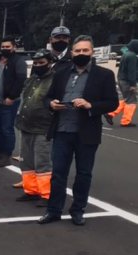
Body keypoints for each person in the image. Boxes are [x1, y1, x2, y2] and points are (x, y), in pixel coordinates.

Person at [40, 35, 119, 226]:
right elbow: (47, 97)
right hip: (62, 130)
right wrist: (52, 104)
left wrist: (90, 105)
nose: (81, 53)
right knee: (58, 173)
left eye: (85, 50)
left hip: (86, 133)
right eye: (77, 50)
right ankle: (53, 210)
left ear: (92, 52)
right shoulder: (61, 73)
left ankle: (78, 210)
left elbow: (112, 103)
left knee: (83, 173)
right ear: (72, 52)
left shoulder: (104, 75)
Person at [15, 49, 57, 206]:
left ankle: (46, 194)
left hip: (43, 128)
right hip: (25, 125)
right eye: (36, 63)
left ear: (50, 63)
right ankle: (31, 190)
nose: (38, 65)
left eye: (42, 63)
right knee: (26, 161)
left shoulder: (54, 80)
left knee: (42, 162)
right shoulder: (32, 79)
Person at [0, 37, 28, 168]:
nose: (5, 49)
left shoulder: (18, 61)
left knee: (6, 129)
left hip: (8, 102)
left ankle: (6, 156)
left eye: (7, 47)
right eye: (3, 47)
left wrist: (11, 97)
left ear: (14, 47)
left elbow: (21, 79)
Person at [107, 39, 137, 127]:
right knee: (131, 101)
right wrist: (133, 84)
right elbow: (132, 71)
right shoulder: (132, 56)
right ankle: (126, 121)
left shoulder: (126, 54)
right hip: (127, 82)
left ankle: (110, 113)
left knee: (125, 100)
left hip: (121, 80)